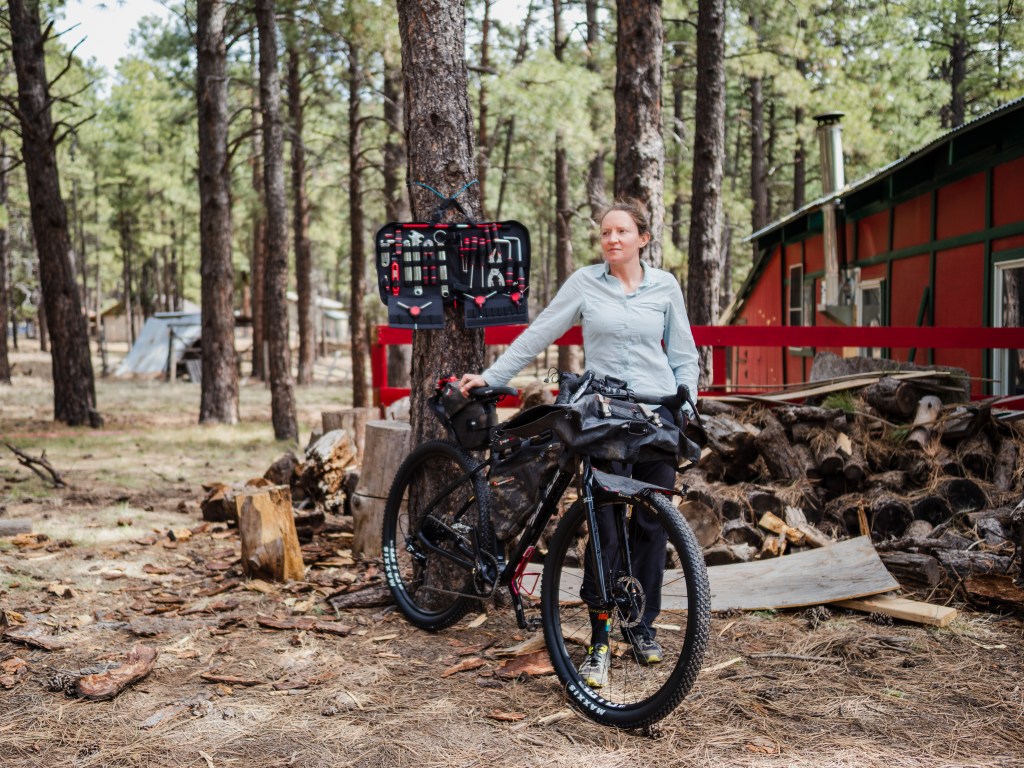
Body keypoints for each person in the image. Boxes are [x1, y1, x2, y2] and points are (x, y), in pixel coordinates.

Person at [459, 198, 700, 688]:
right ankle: (598, 639)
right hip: (604, 420)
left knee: (653, 527)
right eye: (605, 232)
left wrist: (689, 401)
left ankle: (642, 625)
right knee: (604, 528)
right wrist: (491, 376)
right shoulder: (586, 284)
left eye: (622, 232)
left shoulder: (665, 287)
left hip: (656, 418)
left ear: (642, 238)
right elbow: (539, 333)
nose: (612, 239)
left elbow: (684, 355)